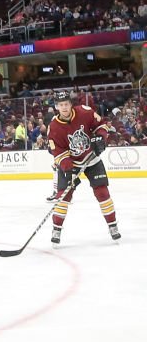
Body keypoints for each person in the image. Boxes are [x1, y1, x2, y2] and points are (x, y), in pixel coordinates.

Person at [45, 89, 120, 246]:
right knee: (63, 197)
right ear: (56, 107)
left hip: (91, 159)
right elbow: (58, 153)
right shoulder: (54, 127)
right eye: (60, 105)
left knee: (102, 192)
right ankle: (56, 229)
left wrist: (100, 137)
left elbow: (102, 125)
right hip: (70, 163)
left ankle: (112, 226)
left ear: (71, 104)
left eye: (66, 104)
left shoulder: (84, 112)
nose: (64, 107)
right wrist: (69, 169)